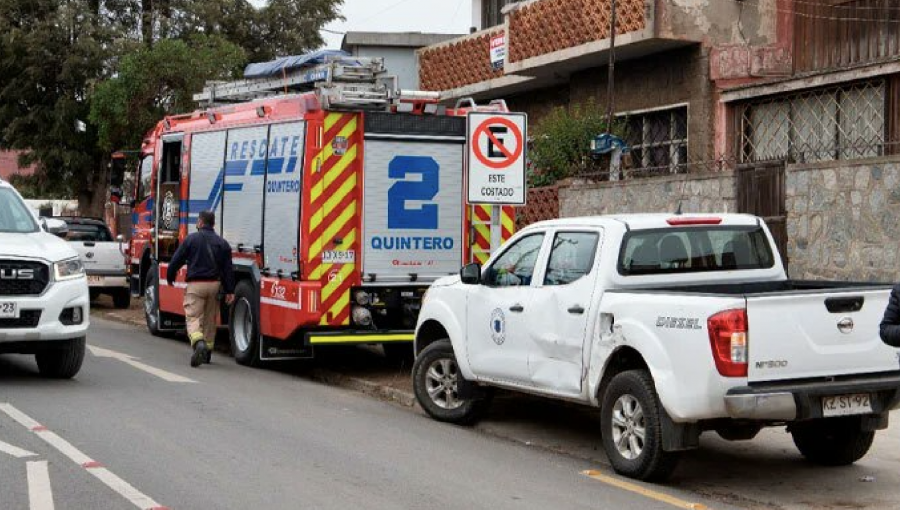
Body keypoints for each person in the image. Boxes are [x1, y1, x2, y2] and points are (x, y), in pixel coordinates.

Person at [167, 210, 235, 367]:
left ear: (200, 222)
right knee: (210, 319)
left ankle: (198, 343)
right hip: (215, 285)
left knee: (193, 316)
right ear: (213, 224)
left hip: (196, 285)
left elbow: (176, 260)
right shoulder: (222, 243)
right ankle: (208, 352)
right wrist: (230, 290)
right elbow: (227, 270)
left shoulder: (191, 240)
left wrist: (170, 276)